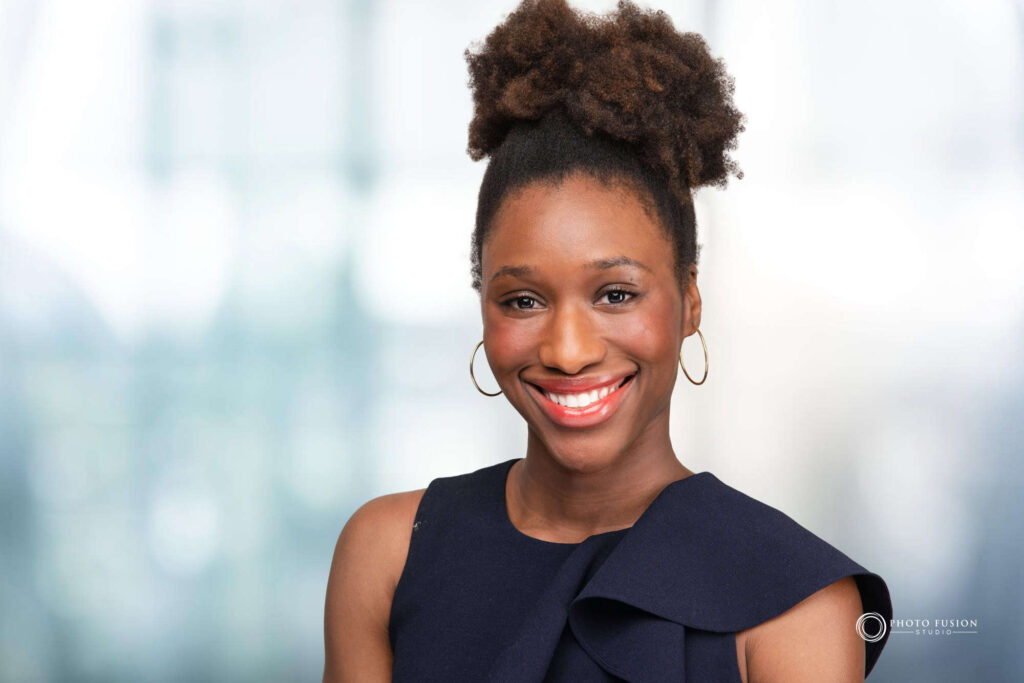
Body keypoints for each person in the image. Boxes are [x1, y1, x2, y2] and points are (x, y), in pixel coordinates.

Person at [323, 0, 893, 680]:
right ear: (482, 307)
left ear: (689, 299)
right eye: (523, 299)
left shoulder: (798, 605)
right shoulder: (388, 553)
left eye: (616, 293)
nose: (568, 350)